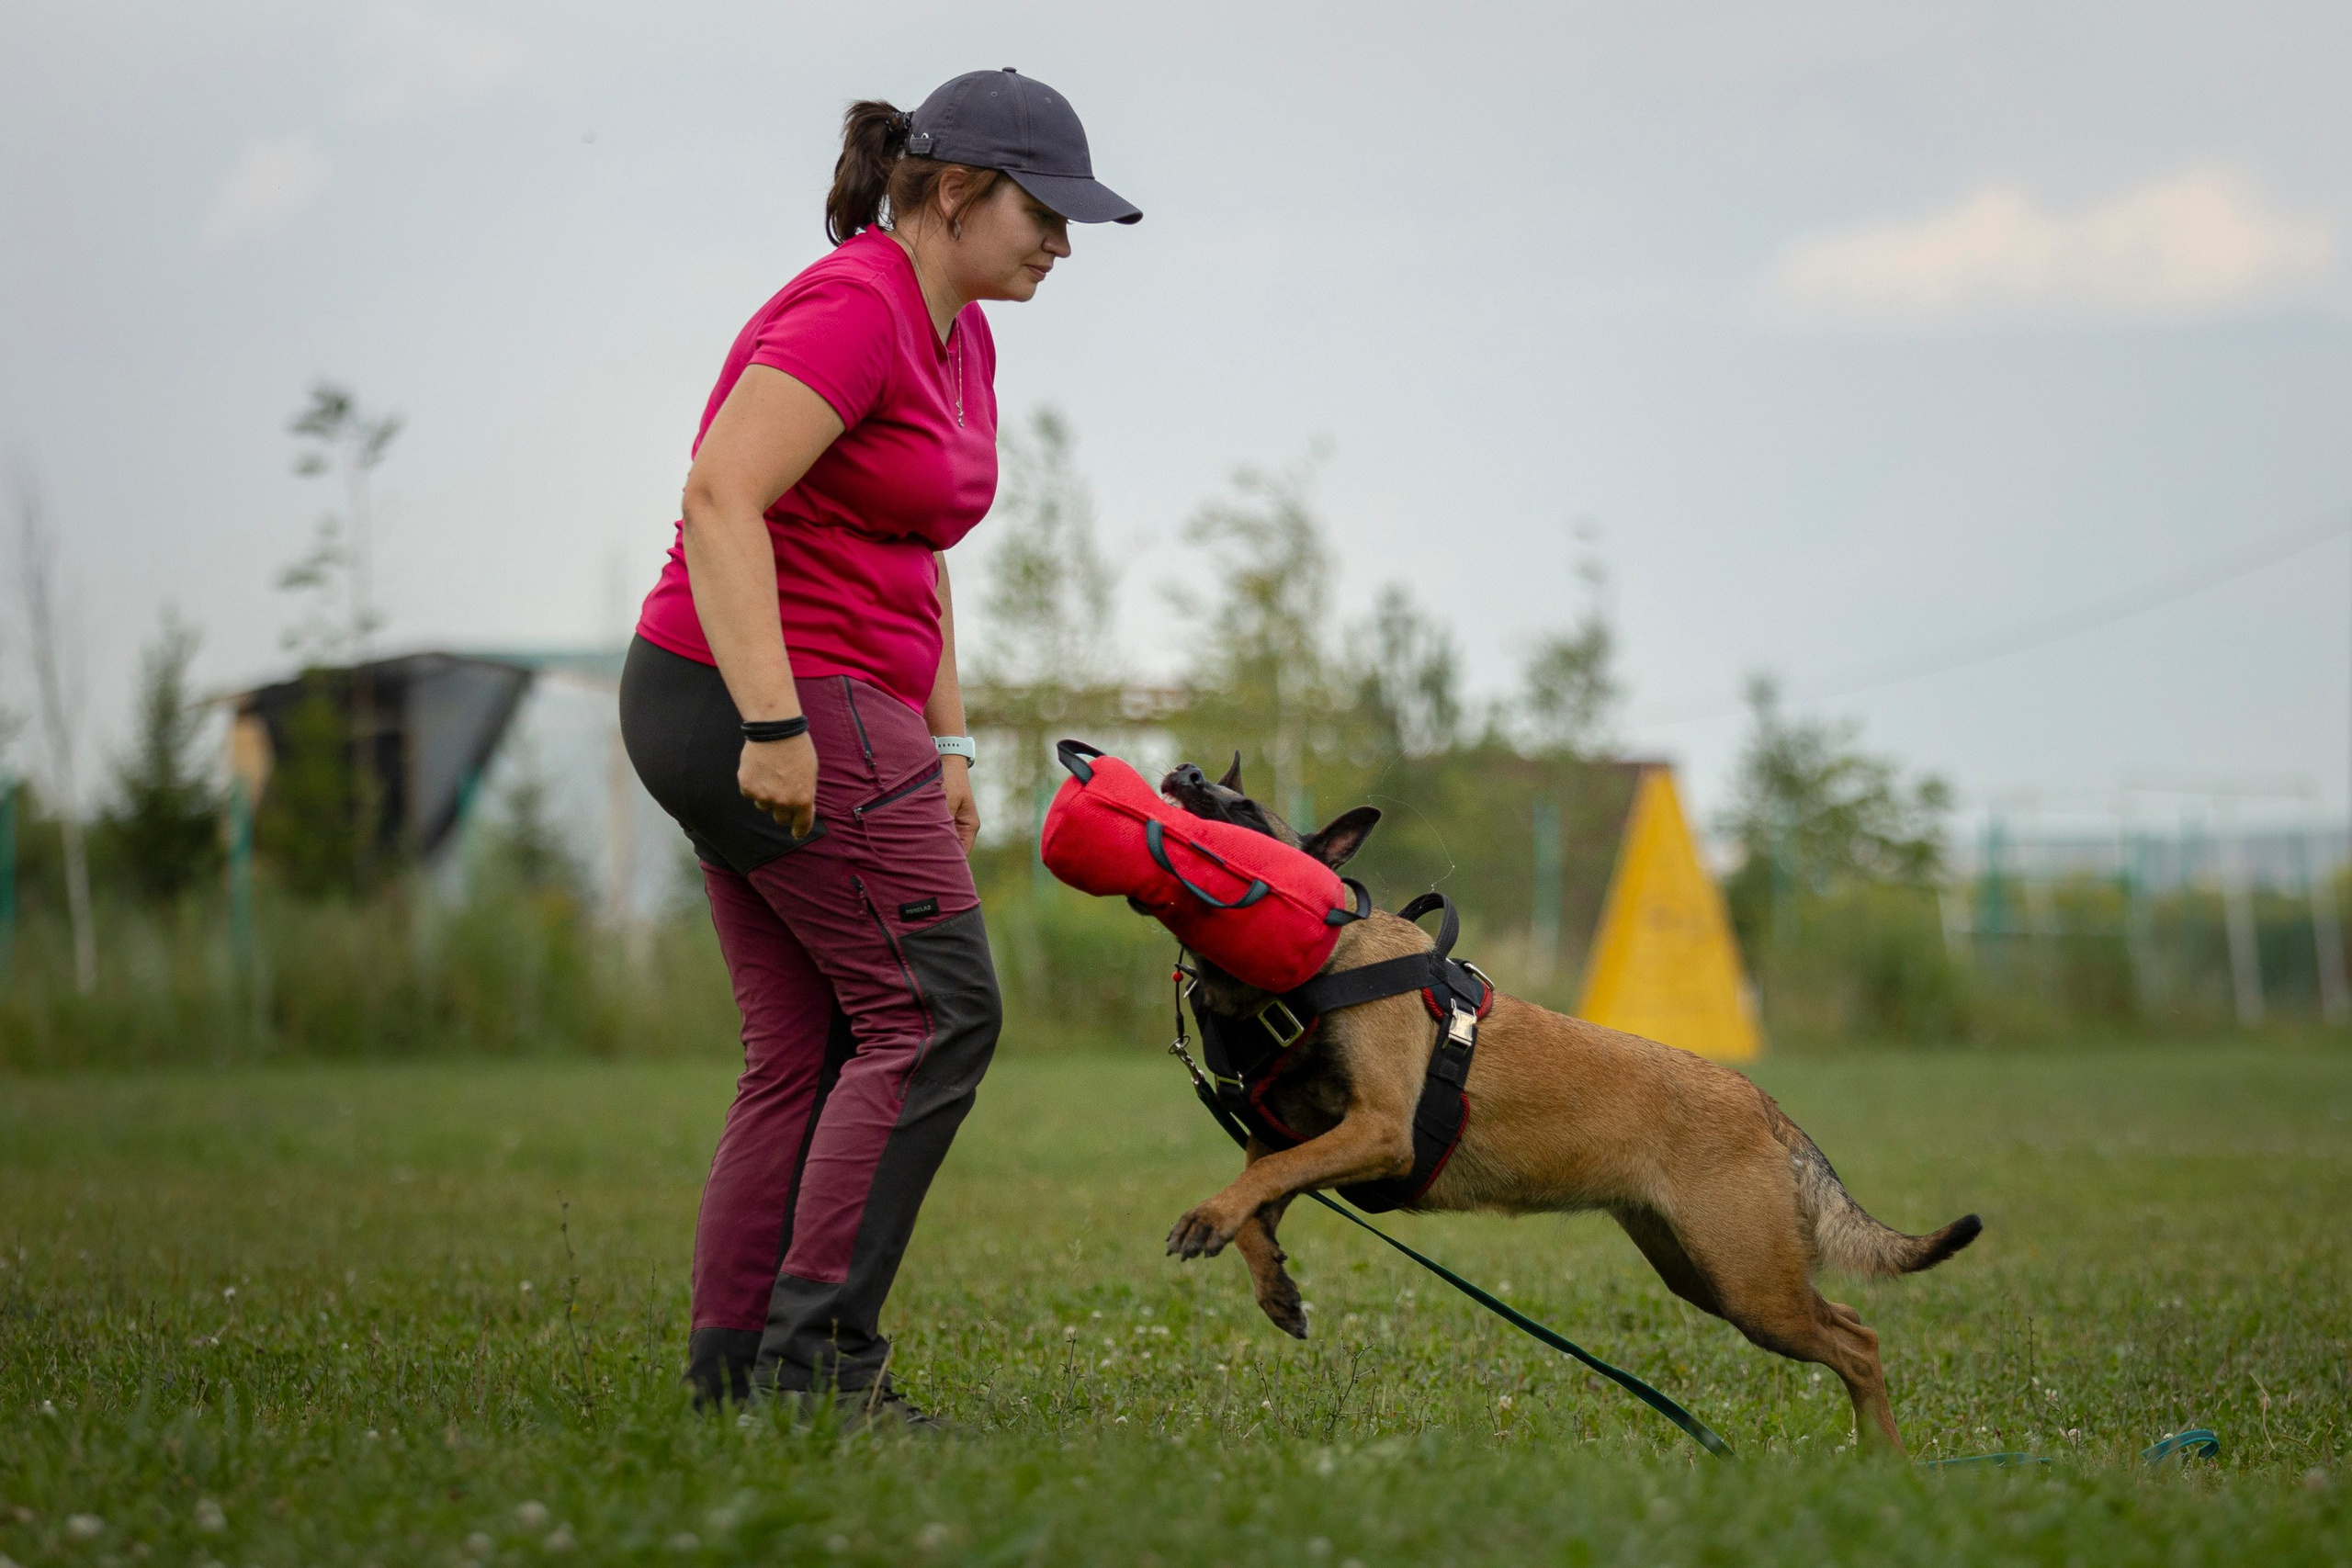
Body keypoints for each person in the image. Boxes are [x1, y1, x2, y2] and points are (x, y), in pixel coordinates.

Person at [618, 69, 1139, 1424]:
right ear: (955, 191)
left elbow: (918, 546)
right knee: (934, 1010)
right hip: (766, 694)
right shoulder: (855, 307)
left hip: (820, 697)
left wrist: (950, 739)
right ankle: (816, 1368)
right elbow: (723, 492)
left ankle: (740, 1368)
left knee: (810, 1040)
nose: (1063, 244)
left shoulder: (953, 328)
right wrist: (780, 724)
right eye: (1045, 212)